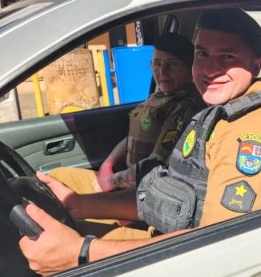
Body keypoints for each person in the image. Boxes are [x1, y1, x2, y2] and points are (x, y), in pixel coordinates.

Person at [19, 8, 261, 276]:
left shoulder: (253, 130)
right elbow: (174, 193)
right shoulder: (216, 109)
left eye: (227, 57)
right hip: (169, 237)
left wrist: (81, 253)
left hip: (194, 266)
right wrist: (81, 204)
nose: (209, 69)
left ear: (256, 65)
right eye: (202, 54)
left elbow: (219, 245)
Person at [49, 33, 204, 194]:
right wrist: (107, 165)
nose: (162, 72)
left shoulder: (185, 108)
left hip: (145, 191)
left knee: (60, 191)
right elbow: (132, 135)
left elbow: (155, 164)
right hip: (126, 180)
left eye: (172, 64)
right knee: (57, 176)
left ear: (190, 67)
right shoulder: (159, 97)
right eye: (157, 64)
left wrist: (111, 181)